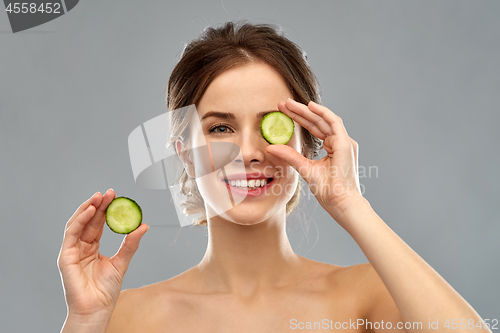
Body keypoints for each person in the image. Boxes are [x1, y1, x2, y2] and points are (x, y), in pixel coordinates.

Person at [58, 20, 490, 333]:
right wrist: (84, 322)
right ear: (184, 154)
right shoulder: (125, 318)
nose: (248, 153)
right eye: (220, 128)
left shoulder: (366, 298)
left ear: (308, 143)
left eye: (270, 127)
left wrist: (350, 203)